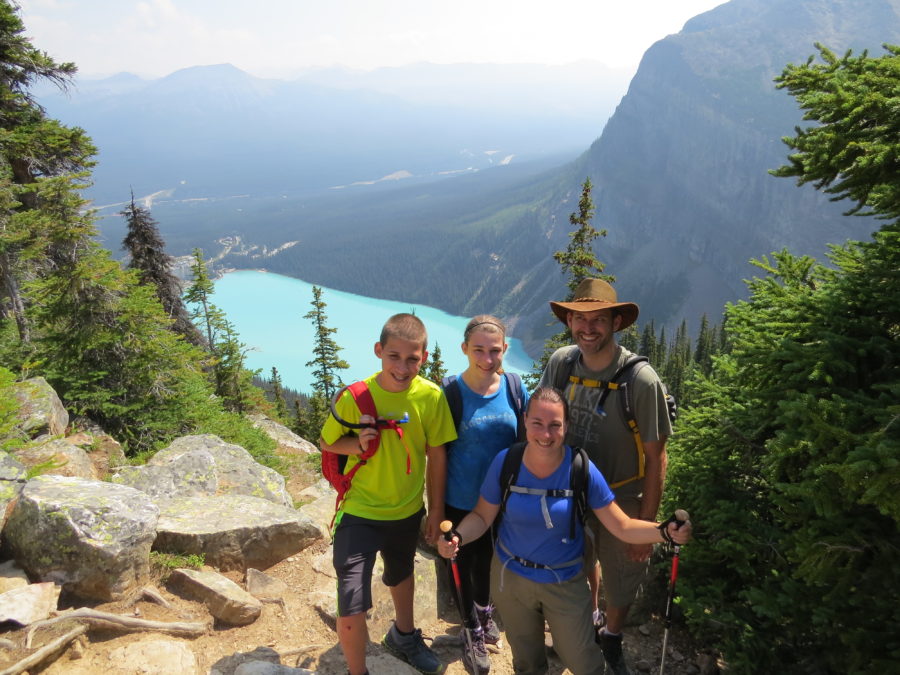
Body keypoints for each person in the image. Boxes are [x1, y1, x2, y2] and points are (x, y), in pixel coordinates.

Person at [437, 387, 690, 675]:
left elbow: (621, 525)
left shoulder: (580, 468)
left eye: (555, 425)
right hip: (511, 580)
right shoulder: (506, 462)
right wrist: (458, 536)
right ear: (525, 420)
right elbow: (482, 517)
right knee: (527, 661)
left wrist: (664, 532)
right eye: (537, 424)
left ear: (566, 426)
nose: (546, 434)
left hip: (564, 582)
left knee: (584, 661)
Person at [538, 278, 673, 675]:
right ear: (569, 321)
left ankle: (611, 635)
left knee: (623, 576)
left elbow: (656, 457)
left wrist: (646, 525)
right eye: (579, 318)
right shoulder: (562, 364)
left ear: (616, 322)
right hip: (569, 496)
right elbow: (543, 426)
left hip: (621, 500)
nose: (588, 328)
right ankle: (583, 625)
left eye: (598, 319)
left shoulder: (640, 380)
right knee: (573, 567)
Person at [320, 313, 457, 675]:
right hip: (359, 512)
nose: (402, 366)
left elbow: (437, 452)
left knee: (401, 573)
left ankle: (405, 635)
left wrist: (435, 508)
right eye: (394, 356)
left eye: (412, 358)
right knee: (350, 602)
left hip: (407, 511)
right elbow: (326, 441)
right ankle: (357, 671)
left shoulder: (430, 396)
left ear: (424, 358)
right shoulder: (356, 397)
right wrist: (357, 445)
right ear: (379, 351)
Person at [442, 315, 528, 673]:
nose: (487, 358)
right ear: (464, 349)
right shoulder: (450, 393)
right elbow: (438, 453)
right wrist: (434, 511)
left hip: (502, 501)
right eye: (478, 350)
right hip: (461, 500)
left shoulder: (513, 386)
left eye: (495, 350)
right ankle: (471, 629)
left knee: (491, 562)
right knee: (465, 563)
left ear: (505, 349)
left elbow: (525, 440)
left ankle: (483, 611)